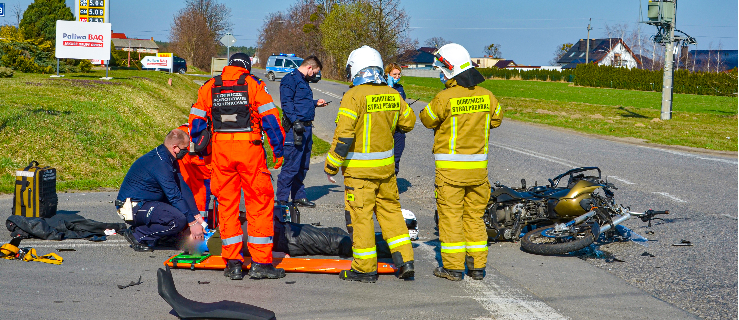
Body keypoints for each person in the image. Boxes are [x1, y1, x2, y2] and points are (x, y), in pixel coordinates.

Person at [189, 52, 286, 280]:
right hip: (250, 152)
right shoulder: (253, 85)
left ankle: (232, 263)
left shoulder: (210, 86)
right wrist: (279, 152)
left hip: (221, 153)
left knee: (226, 206)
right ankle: (261, 263)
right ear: (246, 68)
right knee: (259, 204)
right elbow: (271, 121)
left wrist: (203, 147)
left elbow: (196, 121)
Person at [324, 46, 416, 283]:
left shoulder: (353, 96)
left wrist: (331, 166)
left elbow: (343, 135)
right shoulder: (393, 93)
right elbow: (409, 122)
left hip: (359, 173)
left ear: (356, 68)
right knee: (392, 214)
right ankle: (405, 261)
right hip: (386, 171)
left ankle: (364, 269)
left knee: (361, 218)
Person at [419, 43, 503, 281]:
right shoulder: (487, 96)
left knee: (451, 218)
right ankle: (477, 267)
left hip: (450, 173)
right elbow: (496, 120)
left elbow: (426, 119)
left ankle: (453, 268)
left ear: (449, 69)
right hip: (478, 172)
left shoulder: (445, 97)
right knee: (474, 218)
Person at [116, 129, 205, 252]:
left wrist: (196, 215)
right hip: (130, 207)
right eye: (185, 148)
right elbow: (174, 196)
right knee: (178, 219)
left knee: (183, 211)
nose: (187, 151)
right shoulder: (160, 163)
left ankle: (164, 236)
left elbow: (182, 187)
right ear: (175, 147)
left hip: (146, 202)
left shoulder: (169, 158)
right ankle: (137, 234)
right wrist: (193, 223)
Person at [276, 56, 328, 209]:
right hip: (295, 129)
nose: (315, 75)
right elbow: (286, 103)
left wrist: (315, 103)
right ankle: (282, 200)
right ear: (309, 67)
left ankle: (298, 196)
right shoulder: (290, 79)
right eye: (315, 72)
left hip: (306, 128)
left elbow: (301, 102)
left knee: (303, 165)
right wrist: (295, 121)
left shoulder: (303, 80)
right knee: (291, 165)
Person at [176, 124, 213, 226]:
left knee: (181, 188)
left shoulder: (182, 130)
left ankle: (188, 226)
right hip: (202, 152)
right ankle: (200, 228)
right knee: (201, 191)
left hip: (188, 140)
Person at [385, 63, 407, 175]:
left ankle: (394, 178)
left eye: (399, 74)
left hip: (398, 128)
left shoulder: (400, 88)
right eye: (394, 74)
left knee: (397, 155)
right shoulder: (382, 87)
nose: (397, 77)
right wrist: (388, 88)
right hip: (385, 128)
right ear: (387, 74)